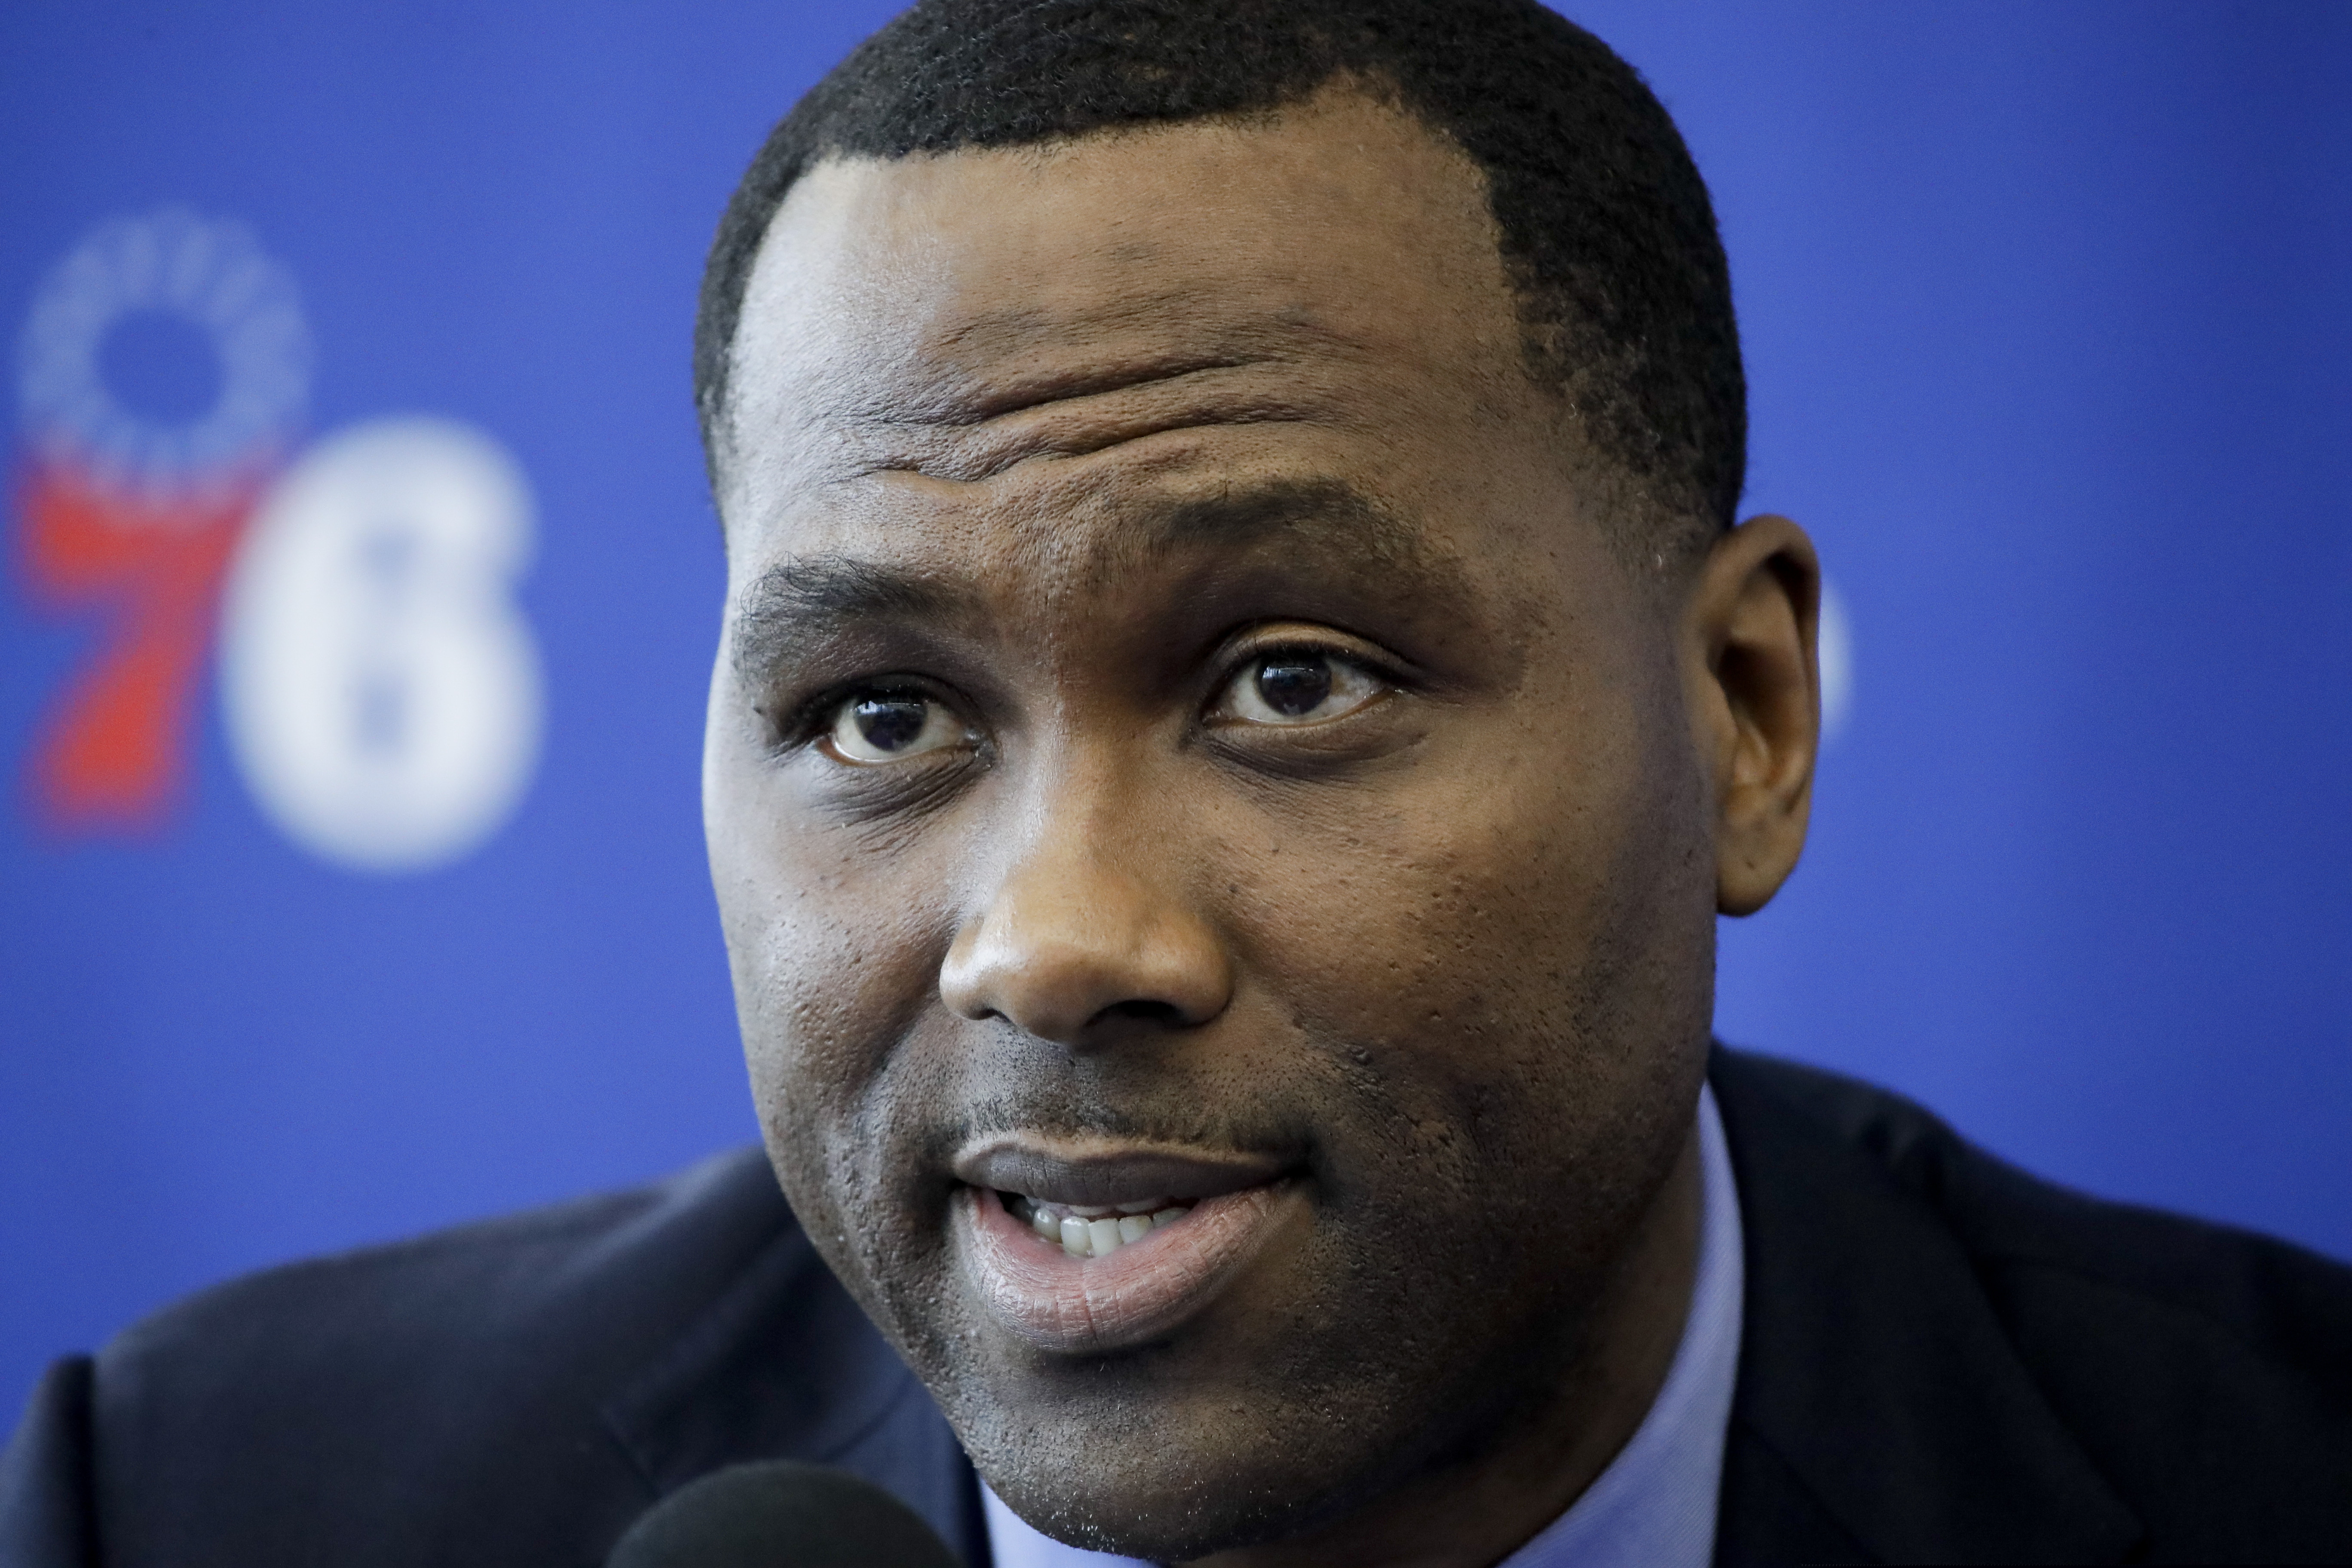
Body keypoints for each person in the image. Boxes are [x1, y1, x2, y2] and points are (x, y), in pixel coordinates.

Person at [6, 2, 2350, 1563]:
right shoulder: (216, 1503)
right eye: (885, 718)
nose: (1053, 938)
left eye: (1291, 681)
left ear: (1746, 715)